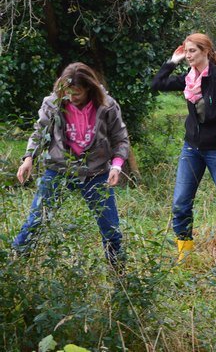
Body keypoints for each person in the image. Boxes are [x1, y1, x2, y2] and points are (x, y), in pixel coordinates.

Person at [14, 62, 130, 269]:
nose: (71, 98)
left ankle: (120, 276)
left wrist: (116, 166)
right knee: (36, 220)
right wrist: (28, 158)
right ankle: (15, 266)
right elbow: (39, 132)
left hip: (96, 172)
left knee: (110, 228)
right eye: (67, 92)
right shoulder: (52, 103)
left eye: (76, 93)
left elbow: (120, 139)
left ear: (89, 89)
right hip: (59, 169)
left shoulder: (107, 105)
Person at [151, 33, 216, 263]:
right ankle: (184, 258)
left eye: (192, 51)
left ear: (206, 51)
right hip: (192, 150)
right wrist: (172, 61)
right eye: (186, 51)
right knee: (180, 204)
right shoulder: (188, 79)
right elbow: (157, 84)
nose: (188, 56)